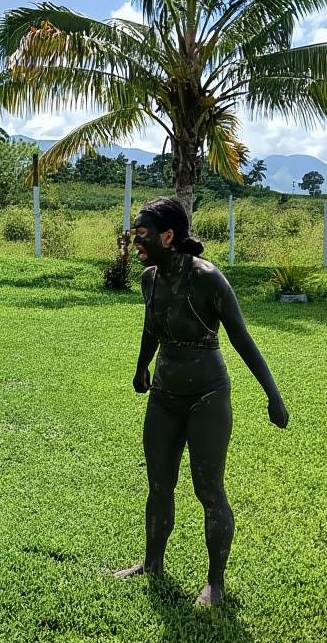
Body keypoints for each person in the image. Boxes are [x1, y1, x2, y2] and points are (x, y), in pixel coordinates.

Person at [117, 196, 289, 606]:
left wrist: (273, 396)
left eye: (141, 234)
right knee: (159, 484)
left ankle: (215, 582)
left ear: (169, 236)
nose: (135, 242)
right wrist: (141, 368)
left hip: (207, 395)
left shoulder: (208, 279)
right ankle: (152, 562)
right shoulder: (150, 279)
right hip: (164, 394)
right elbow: (151, 329)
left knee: (208, 489)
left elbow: (242, 339)